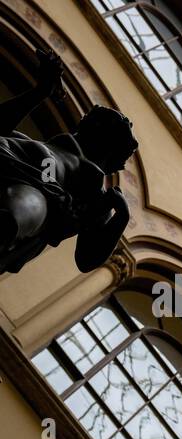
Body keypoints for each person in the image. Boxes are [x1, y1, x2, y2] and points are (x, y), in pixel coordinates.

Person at [0, 48, 137, 274]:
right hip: (6, 158)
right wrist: (40, 92)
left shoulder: (93, 192)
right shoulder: (24, 141)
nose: (87, 124)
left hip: (33, 199)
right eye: (92, 120)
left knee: (28, 205)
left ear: (110, 153)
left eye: (101, 126)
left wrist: (121, 216)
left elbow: (87, 259)